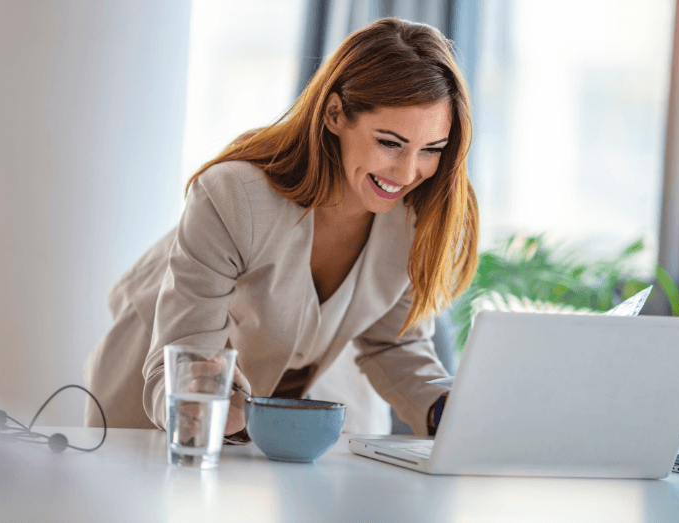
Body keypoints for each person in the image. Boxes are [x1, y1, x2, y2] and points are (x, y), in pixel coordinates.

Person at [83, 17, 478, 439]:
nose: (408, 171)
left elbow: (391, 344)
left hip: (251, 417)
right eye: (389, 143)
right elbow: (183, 355)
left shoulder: (418, 218)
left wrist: (444, 409)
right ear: (334, 114)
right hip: (153, 388)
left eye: (431, 150)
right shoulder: (233, 196)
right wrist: (202, 398)